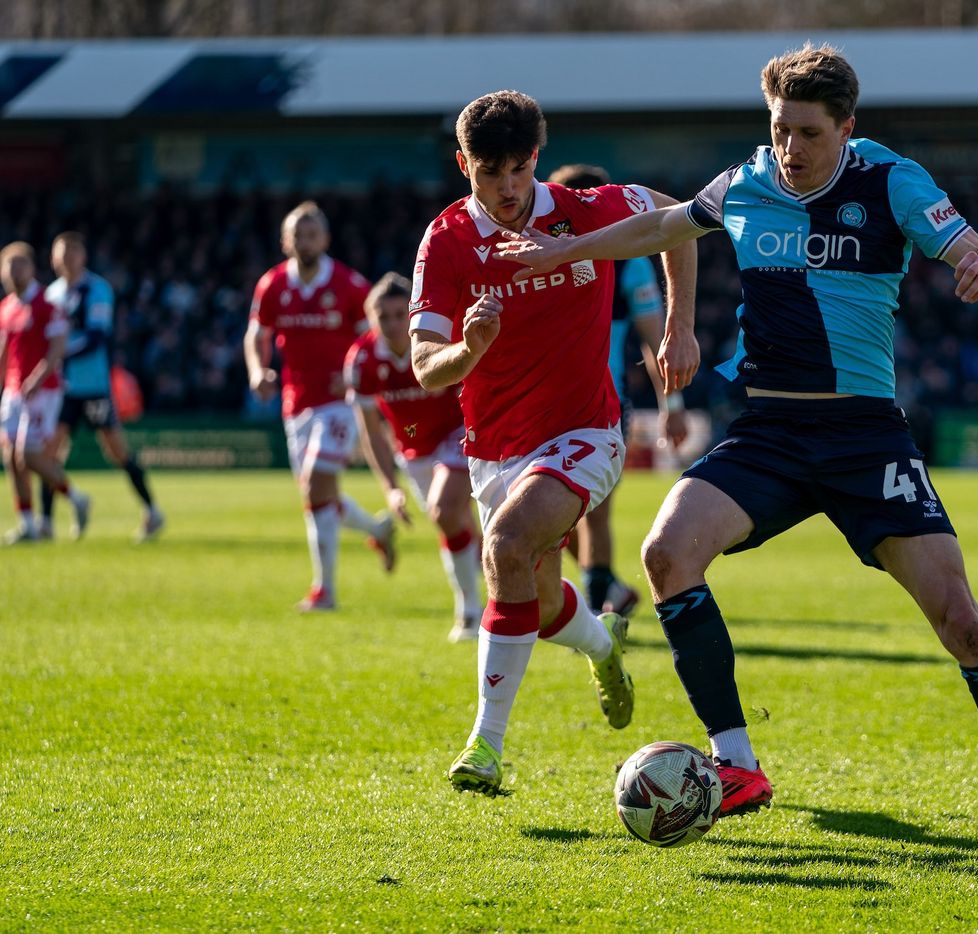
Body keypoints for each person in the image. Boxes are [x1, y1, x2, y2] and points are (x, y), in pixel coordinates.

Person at [496, 46, 978, 851]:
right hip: (770, 434)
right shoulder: (747, 181)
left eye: (809, 133)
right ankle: (737, 763)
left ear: (847, 129)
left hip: (865, 438)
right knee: (667, 553)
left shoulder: (890, 182)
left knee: (962, 623)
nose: (790, 148)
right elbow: (661, 226)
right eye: (780, 129)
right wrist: (563, 250)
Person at [408, 90, 698, 795]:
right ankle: (603, 644)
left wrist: (679, 328)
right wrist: (470, 349)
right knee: (533, 603)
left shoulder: (586, 210)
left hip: (585, 432)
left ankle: (486, 745)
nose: (508, 188)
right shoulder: (445, 240)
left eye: (519, 169)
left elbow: (686, 222)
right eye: (490, 173)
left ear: (536, 157)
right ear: (464, 166)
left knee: (506, 546)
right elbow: (424, 366)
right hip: (494, 448)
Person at [547, 164, 689, 617]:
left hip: (603, 404)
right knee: (545, 519)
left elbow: (655, 341)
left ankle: (594, 616)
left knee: (595, 514)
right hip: (541, 401)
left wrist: (673, 404)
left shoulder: (629, 263)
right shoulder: (537, 254)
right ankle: (606, 589)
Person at [244, 201, 396, 612]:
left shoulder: (349, 284)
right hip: (296, 403)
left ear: (325, 239)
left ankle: (324, 591)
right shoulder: (273, 284)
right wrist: (258, 370)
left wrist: (354, 374)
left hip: (341, 404)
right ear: (285, 241)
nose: (305, 242)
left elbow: (374, 336)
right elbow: (256, 334)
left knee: (315, 485)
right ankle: (377, 530)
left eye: (312, 235)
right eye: (297, 235)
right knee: (320, 498)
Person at [345, 272, 483, 642]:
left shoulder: (437, 341)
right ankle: (523, 594)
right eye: (383, 316)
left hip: (458, 434)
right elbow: (372, 432)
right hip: (413, 451)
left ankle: (470, 614)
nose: (392, 324)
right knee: (462, 529)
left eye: (399, 315)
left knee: (443, 510)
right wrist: (390, 488)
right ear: (370, 318)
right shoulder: (361, 361)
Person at [40, 232, 163, 543]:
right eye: (62, 252)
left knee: (116, 450)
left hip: (92, 386)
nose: (67, 258)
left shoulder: (97, 289)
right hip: (62, 388)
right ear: (53, 258)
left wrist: (58, 354)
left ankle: (152, 511)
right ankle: (45, 523)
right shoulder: (51, 294)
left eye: (73, 252)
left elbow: (97, 337)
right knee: (48, 452)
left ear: (83, 256)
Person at [0, 241, 91, 544]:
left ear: (32, 269)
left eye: (20, 265)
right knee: (10, 457)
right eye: (9, 267)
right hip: (13, 391)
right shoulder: (6, 307)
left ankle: (76, 497)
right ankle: (27, 524)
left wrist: (37, 378)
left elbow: (57, 349)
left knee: (28, 455)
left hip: (43, 391)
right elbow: (5, 353)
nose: (14, 272)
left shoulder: (47, 306)